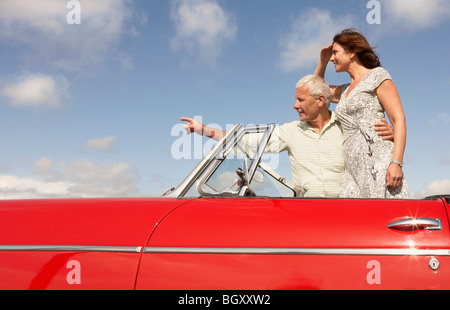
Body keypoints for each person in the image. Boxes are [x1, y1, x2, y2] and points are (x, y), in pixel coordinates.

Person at [181, 74, 394, 198]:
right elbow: (245, 139)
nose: (295, 105)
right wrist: (204, 129)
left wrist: (389, 136)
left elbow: (375, 145)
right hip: (305, 212)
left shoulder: (347, 126)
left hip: (346, 210)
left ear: (321, 100)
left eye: (301, 100)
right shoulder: (291, 131)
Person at [315, 29, 409, 198]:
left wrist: (396, 162)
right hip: (352, 169)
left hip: (378, 161)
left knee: (384, 218)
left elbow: (398, 119)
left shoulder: (378, 76)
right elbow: (315, 91)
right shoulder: (343, 91)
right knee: (354, 220)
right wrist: (322, 62)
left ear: (352, 53)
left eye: (335, 53)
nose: (332, 58)